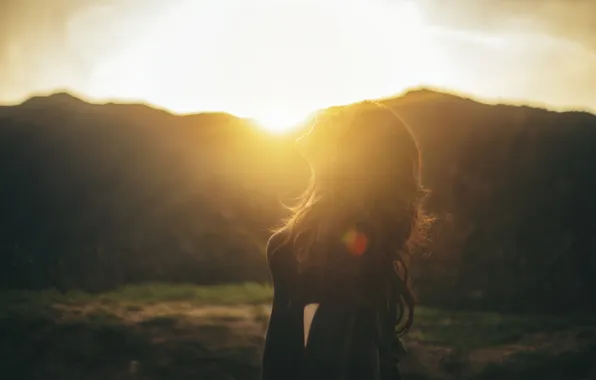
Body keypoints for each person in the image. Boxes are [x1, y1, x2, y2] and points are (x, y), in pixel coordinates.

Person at [261, 101, 428, 380]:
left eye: (339, 117)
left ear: (349, 152)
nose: (326, 112)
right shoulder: (325, 231)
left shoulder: (335, 243)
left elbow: (331, 350)